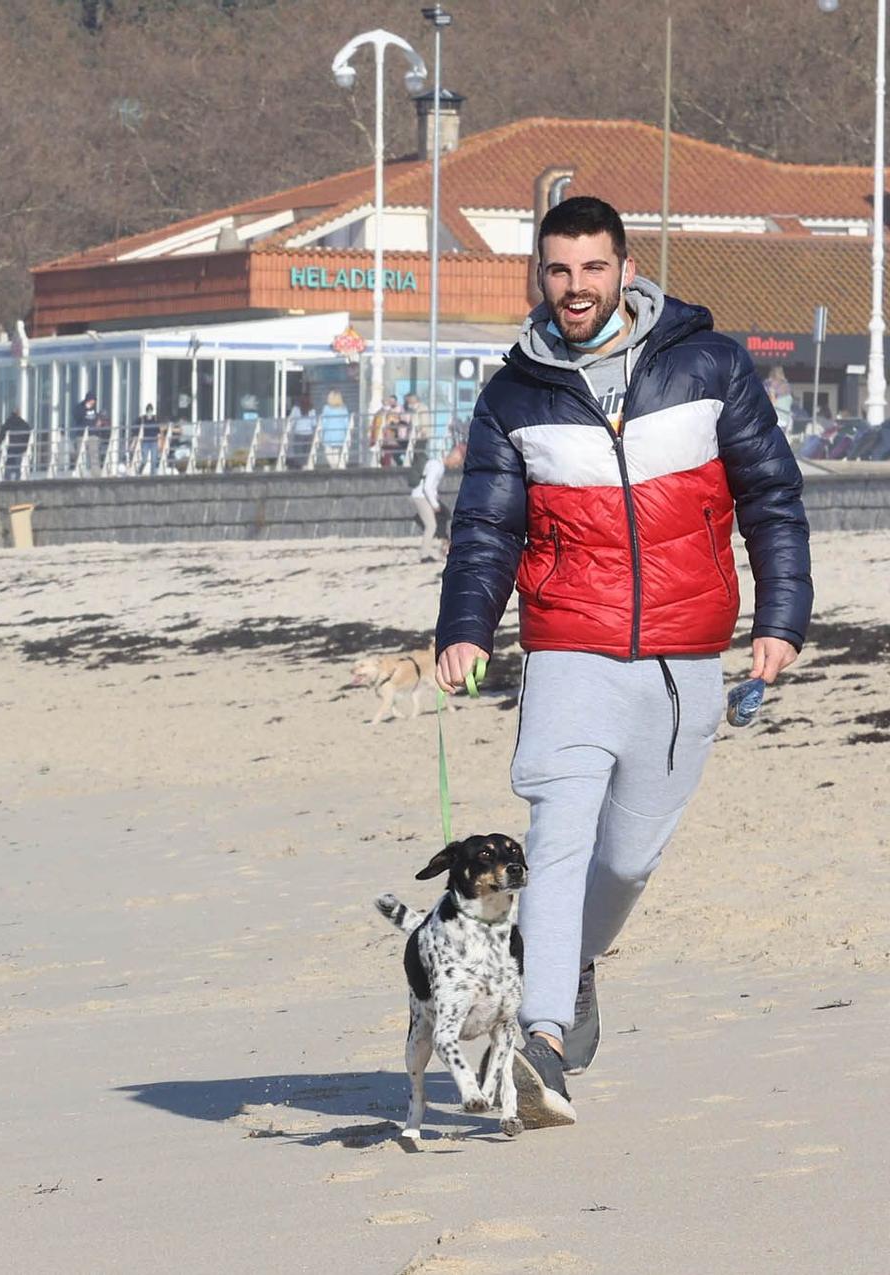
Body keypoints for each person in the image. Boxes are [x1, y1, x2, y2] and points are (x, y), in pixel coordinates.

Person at [435, 196, 811, 1130]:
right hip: (567, 644)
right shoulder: (513, 394)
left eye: (591, 269)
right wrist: (466, 626)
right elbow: (487, 526)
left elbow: (771, 494)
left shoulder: (709, 363)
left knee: (629, 858)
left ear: (624, 267)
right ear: (540, 273)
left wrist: (783, 616)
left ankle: (575, 959)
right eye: (557, 271)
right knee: (558, 837)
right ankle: (545, 1037)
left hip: (685, 656)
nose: (574, 288)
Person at [410, 437, 463, 561]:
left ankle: (442, 547)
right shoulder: (437, 466)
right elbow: (427, 487)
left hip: (423, 496)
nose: (455, 466)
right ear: (454, 457)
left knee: (441, 518)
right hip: (421, 497)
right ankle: (424, 555)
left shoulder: (438, 465)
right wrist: (434, 504)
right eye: (457, 463)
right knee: (431, 525)